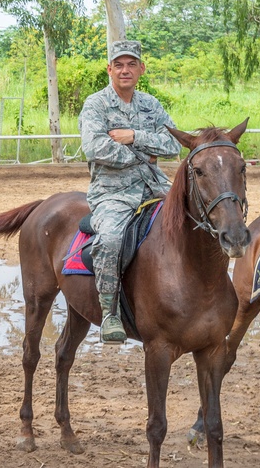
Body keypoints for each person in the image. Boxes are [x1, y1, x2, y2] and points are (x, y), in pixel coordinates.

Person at [78, 39, 180, 344]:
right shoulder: (95, 104)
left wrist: (133, 135)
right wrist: (144, 152)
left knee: (200, 217)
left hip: (155, 184)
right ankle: (110, 313)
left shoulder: (152, 105)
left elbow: (174, 145)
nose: (125, 70)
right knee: (109, 239)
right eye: (119, 65)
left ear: (141, 69)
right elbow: (94, 147)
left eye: (131, 64)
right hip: (111, 192)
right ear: (109, 69)